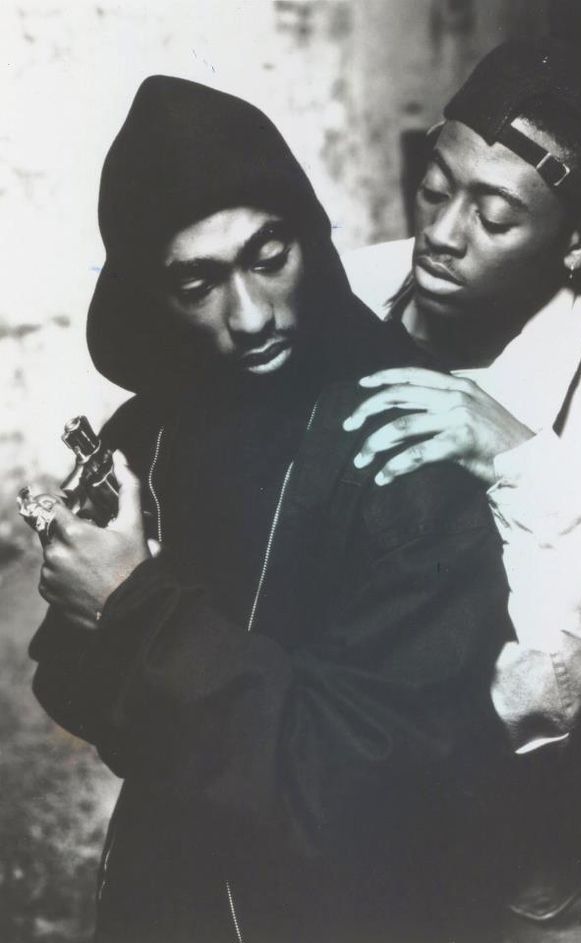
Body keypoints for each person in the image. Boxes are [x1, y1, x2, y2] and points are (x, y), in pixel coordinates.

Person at [28, 76, 513, 943]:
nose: (251, 317)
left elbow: (368, 787)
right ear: (152, 296)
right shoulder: (150, 429)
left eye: (267, 255)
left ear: (308, 236)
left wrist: (133, 610)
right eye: (197, 284)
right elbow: (67, 680)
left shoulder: (402, 440)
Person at [342, 37, 581, 940]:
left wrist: (517, 454)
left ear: (573, 245)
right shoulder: (349, 290)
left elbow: (547, 689)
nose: (441, 235)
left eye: (493, 216)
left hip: (505, 807)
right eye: (435, 189)